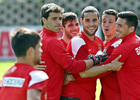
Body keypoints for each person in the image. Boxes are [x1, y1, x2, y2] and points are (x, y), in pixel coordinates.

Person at [40, 3, 122, 100]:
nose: (91, 24)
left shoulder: (99, 42)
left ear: (98, 21)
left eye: (59, 19)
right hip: (70, 96)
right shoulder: (75, 41)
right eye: (87, 20)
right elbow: (79, 71)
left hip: (87, 95)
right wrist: (102, 62)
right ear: (82, 22)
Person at [78, 11, 140, 99]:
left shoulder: (122, 48)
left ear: (131, 29)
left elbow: (95, 72)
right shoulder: (136, 41)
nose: (116, 28)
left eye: (120, 26)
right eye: (117, 24)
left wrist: (74, 74)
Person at [0, 28, 49, 100]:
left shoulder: (7, 74)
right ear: (31, 51)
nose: (41, 51)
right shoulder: (36, 75)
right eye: (39, 47)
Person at [100, 9, 122, 100]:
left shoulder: (118, 44)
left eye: (110, 22)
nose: (106, 25)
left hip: (116, 94)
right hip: (104, 93)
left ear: (116, 25)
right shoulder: (102, 44)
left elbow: (102, 68)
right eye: (104, 21)